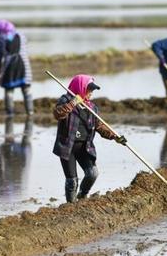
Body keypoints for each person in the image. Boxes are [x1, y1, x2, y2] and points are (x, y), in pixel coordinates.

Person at [52, 75, 127, 203]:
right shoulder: (66, 100)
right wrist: (73, 103)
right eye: (89, 90)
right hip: (67, 147)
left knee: (92, 173)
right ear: (80, 88)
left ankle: (82, 196)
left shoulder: (92, 108)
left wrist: (115, 136)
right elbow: (58, 114)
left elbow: (99, 126)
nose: (91, 93)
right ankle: (70, 206)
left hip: (84, 148)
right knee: (72, 181)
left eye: (92, 91)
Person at [0, 19, 33, 116]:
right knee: (26, 90)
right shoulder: (21, 36)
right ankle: (30, 112)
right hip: (24, 67)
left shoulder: (0, 40)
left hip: (9, 68)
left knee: (9, 91)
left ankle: (10, 113)